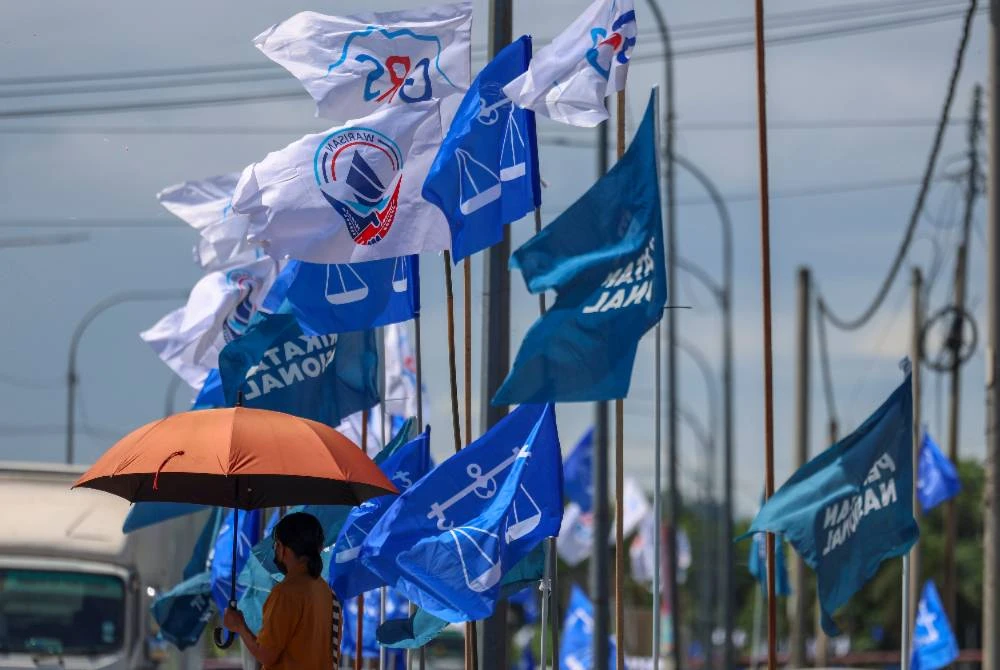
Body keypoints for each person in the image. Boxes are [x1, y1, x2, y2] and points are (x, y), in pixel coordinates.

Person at [223, 512, 342, 670]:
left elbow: (266, 654)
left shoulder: (285, 593)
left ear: (282, 548)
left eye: (276, 545)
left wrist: (239, 626)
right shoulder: (326, 592)